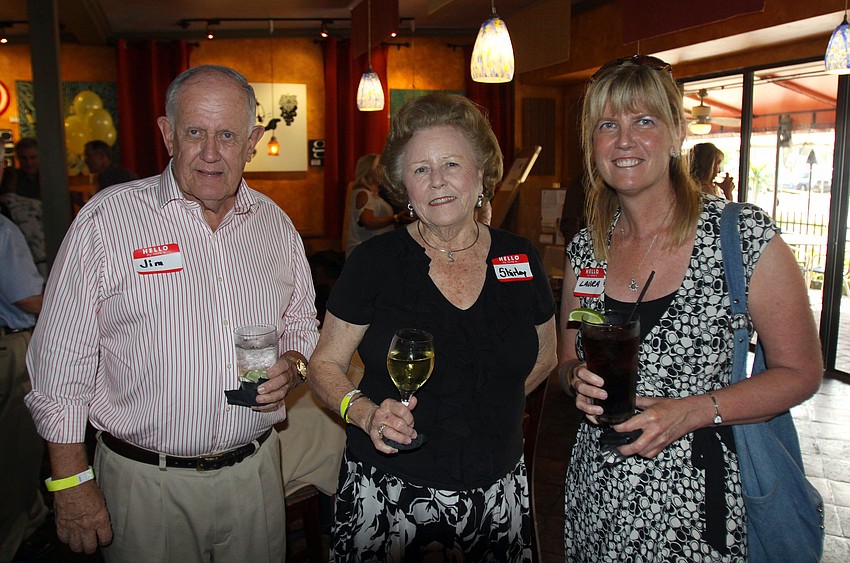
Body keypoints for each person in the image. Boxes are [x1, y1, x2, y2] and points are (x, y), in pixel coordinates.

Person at [25, 65, 320, 562]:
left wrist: (293, 366)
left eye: (228, 135)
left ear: (252, 142)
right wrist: (70, 482)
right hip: (145, 486)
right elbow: (59, 362)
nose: (211, 153)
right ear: (167, 134)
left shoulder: (276, 226)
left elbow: (301, 325)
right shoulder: (107, 221)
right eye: (195, 133)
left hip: (254, 476)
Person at [557, 55, 823, 561]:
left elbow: (801, 373)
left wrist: (692, 411)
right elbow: (567, 360)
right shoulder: (587, 249)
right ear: (592, 145)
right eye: (607, 125)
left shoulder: (741, 236)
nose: (624, 140)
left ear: (678, 133)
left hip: (700, 501)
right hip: (598, 494)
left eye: (644, 121)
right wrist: (576, 380)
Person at [308, 92, 558, 561]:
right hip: (390, 493)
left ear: (480, 174)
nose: (437, 180)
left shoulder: (520, 257)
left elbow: (546, 357)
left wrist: (480, 404)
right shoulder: (374, 262)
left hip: (496, 491)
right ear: (404, 186)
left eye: (452, 164)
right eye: (421, 169)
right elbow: (324, 364)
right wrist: (364, 413)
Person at [0, 168, 50, 563]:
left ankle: (31, 518)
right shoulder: (3, 230)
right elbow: (27, 298)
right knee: (16, 451)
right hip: (9, 348)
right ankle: (14, 542)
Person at [344, 153, 405, 258]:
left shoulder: (376, 194)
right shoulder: (362, 193)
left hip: (376, 251)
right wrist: (395, 218)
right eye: (378, 167)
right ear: (369, 170)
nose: (382, 171)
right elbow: (368, 222)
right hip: (365, 254)